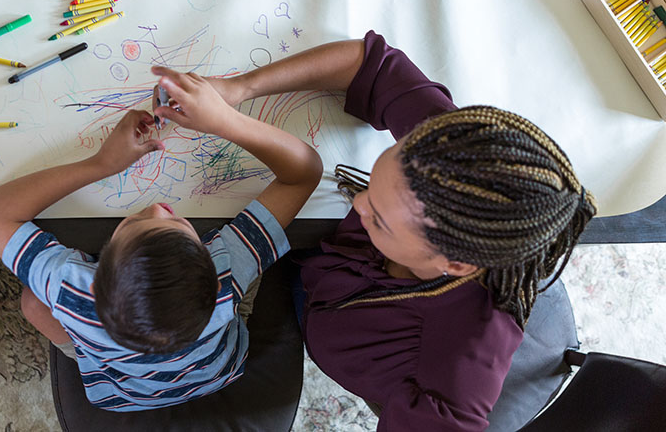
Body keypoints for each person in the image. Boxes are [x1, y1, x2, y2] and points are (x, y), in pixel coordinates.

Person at [204, 30, 598, 431]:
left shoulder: (456, 373)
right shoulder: (442, 162)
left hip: (319, 312)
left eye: (379, 217)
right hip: (325, 271)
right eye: (372, 186)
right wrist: (238, 88)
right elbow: (369, 63)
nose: (357, 204)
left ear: (455, 264)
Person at [0, 66, 322, 411]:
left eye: (135, 223)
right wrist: (223, 121)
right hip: (218, 371)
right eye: (177, 223)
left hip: (119, 395)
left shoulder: (72, 291)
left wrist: (102, 164)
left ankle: (88, 351)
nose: (157, 207)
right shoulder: (225, 274)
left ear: (92, 274)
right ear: (212, 266)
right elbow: (303, 173)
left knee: (33, 303)